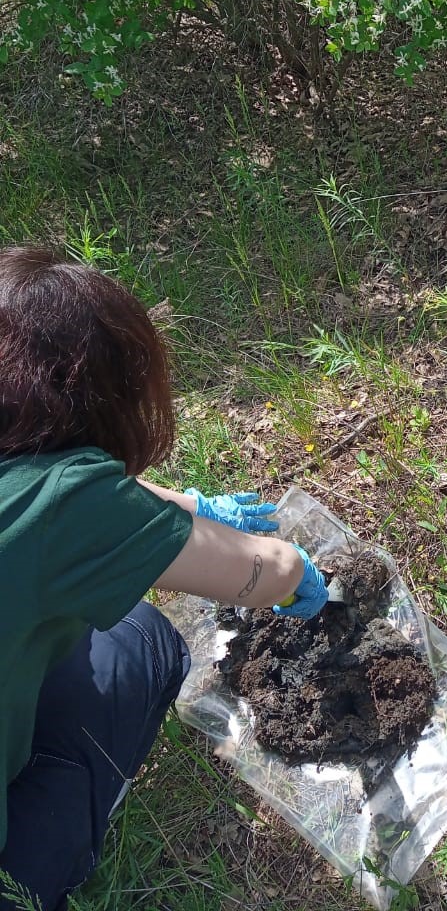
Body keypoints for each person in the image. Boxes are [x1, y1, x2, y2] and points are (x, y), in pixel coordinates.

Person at [0, 246, 330, 911]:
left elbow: (54, 468)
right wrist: (293, 572)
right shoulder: (66, 509)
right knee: (143, 641)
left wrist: (188, 506)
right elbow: (269, 572)